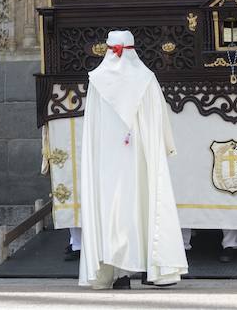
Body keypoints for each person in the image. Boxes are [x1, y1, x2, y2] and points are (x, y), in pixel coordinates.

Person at [78, 31, 186, 290]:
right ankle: (156, 269)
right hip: (142, 156)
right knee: (147, 205)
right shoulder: (146, 78)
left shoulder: (97, 80)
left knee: (113, 210)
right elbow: (159, 117)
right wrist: (166, 147)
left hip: (108, 160)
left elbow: (91, 126)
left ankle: (117, 273)